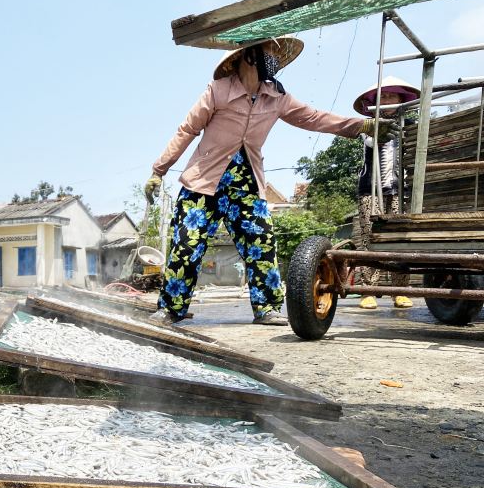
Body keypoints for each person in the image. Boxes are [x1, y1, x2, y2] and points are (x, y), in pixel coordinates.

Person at [146, 35, 399, 326]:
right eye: (269, 53)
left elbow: (315, 118)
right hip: (204, 183)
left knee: (261, 243)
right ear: (247, 56)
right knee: (187, 247)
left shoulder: (277, 98)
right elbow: (186, 130)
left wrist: (362, 125)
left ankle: (266, 308)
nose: (274, 60)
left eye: (276, 56)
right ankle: (171, 308)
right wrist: (159, 170)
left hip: (247, 185)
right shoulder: (217, 91)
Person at [351, 76, 420, 310]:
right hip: (370, 188)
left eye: (393, 95)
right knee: (370, 237)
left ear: (401, 99)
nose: (389, 99)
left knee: (400, 239)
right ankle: (369, 290)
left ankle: (400, 291)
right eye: (384, 96)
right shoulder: (369, 126)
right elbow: (371, 143)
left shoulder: (411, 126)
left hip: (401, 190)